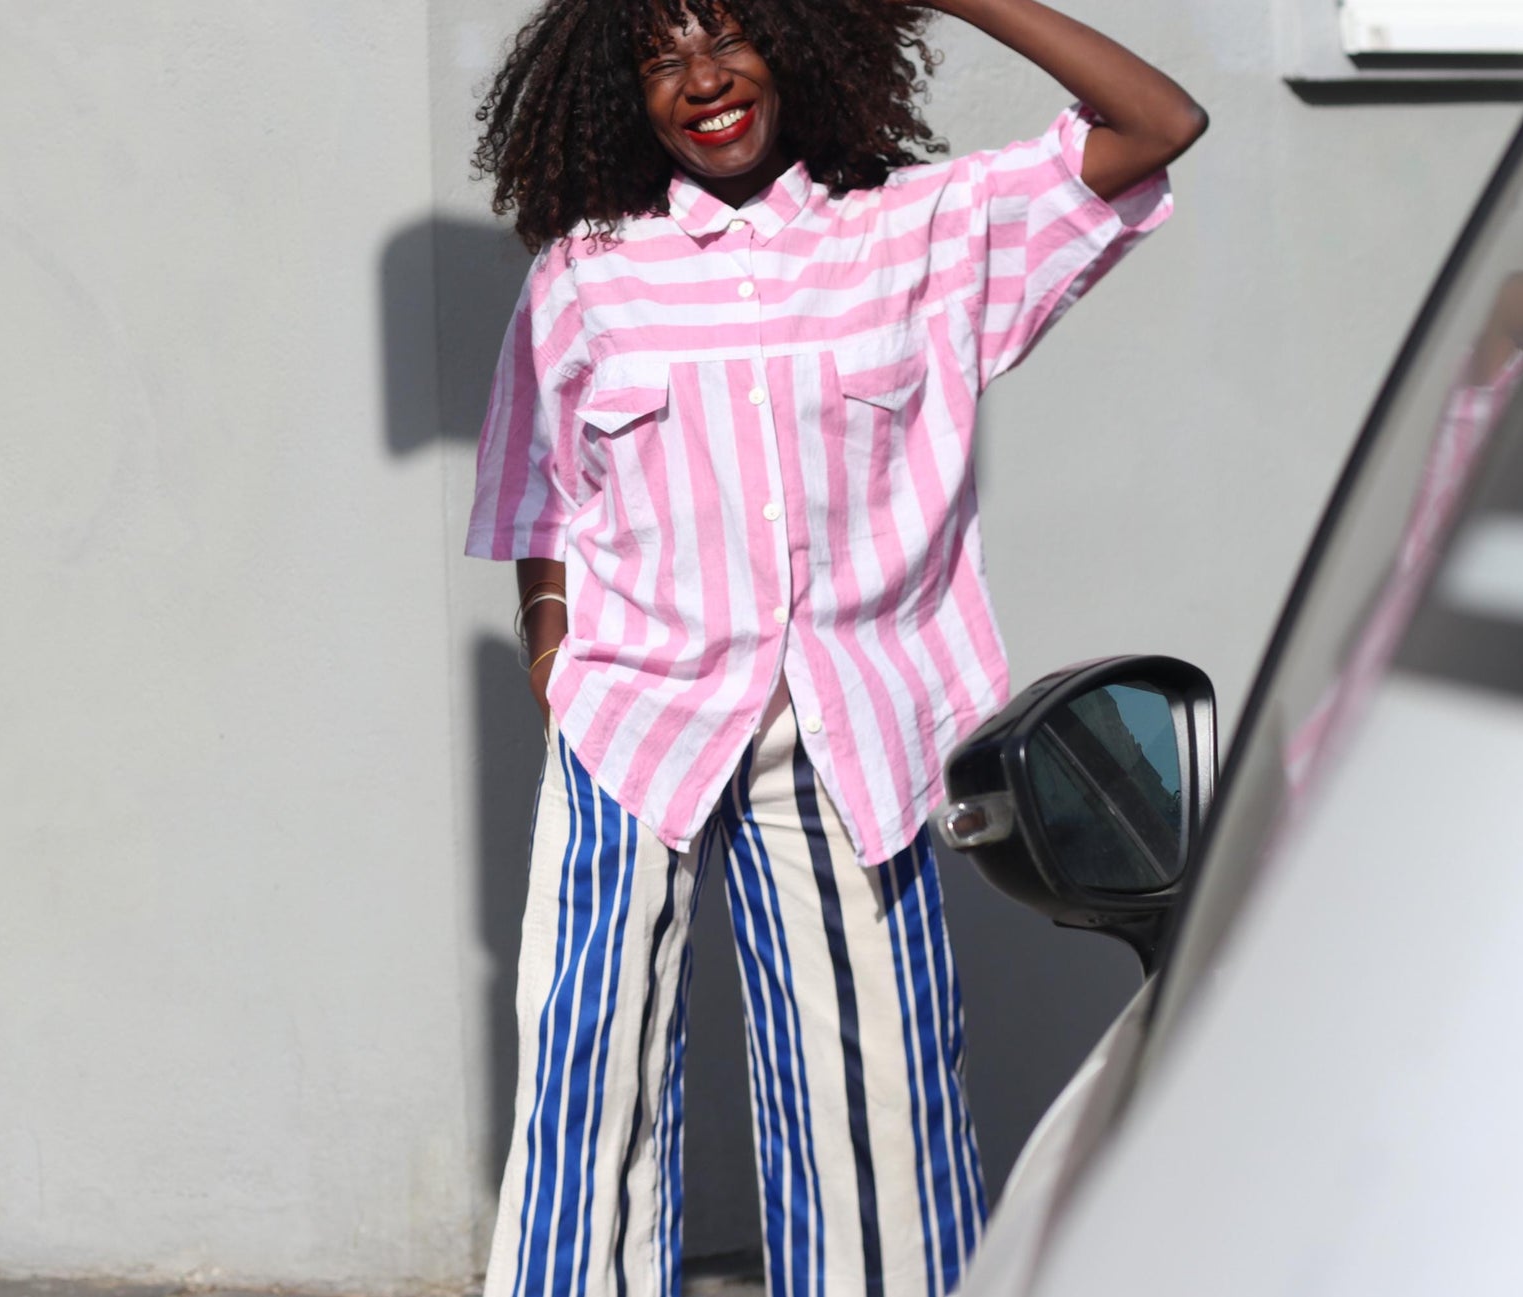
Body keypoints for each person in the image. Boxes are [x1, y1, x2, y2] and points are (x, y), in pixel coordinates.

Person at [463, 2, 1205, 1294]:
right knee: (588, 1072)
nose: (702, 79)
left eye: (730, 36)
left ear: (800, 42)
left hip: (856, 726)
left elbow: (1158, 122)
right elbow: (542, 495)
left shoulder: (923, 230)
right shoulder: (585, 269)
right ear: (616, 90)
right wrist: (548, 648)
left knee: (875, 1089)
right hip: (631, 719)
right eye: (658, 57)